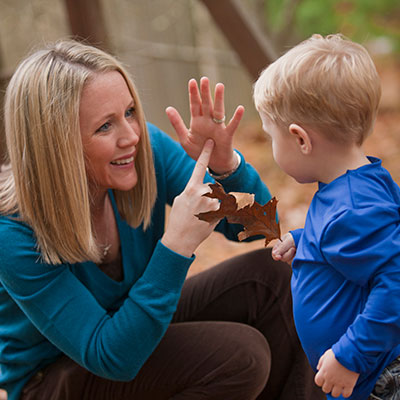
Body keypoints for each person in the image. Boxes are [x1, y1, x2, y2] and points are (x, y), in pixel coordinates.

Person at [0, 40, 324, 400]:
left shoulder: (143, 152)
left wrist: (225, 165)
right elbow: (111, 355)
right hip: (56, 378)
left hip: (130, 325)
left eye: (130, 112)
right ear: (56, 145)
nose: (131, 135)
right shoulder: (12, 233)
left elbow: (258, 229)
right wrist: (176, 246)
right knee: (239, 356)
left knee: (273, 276)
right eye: (105, 126)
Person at [253, 33, 400, 400]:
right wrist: (305, 241)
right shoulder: (353, 188)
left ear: (301, 139)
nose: (272, 147)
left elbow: (395, 282)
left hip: (376, 381)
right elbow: (364, 242)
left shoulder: (351, 208)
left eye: (272, 136)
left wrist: (351, 356)